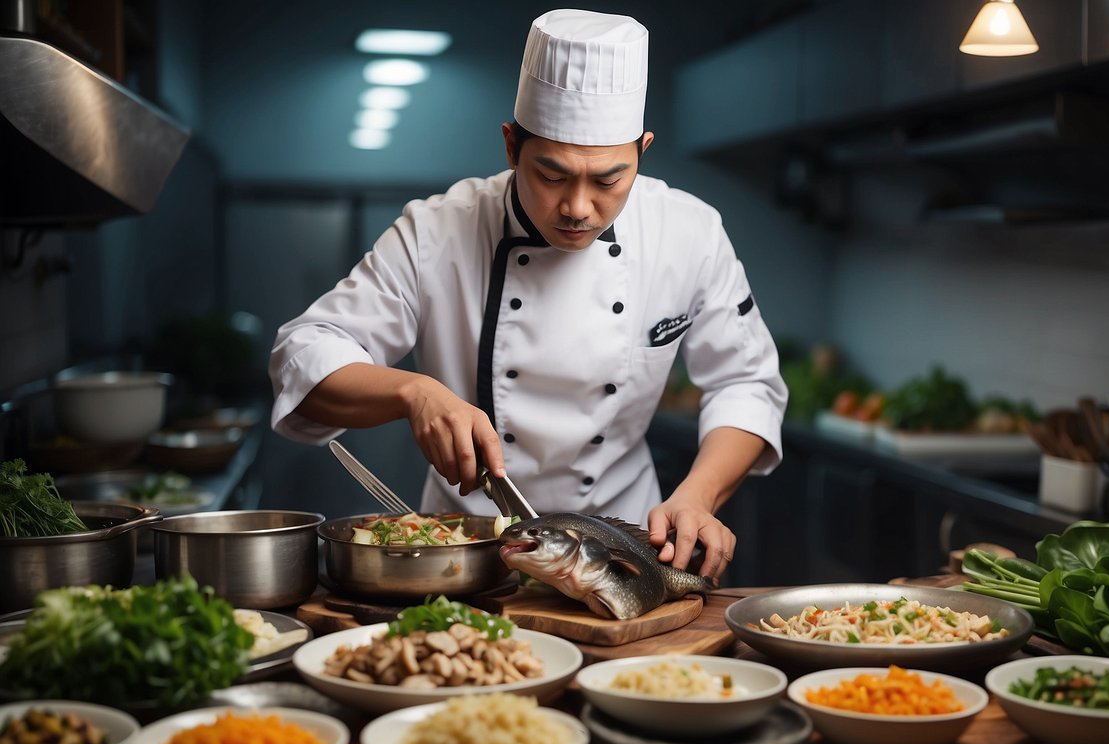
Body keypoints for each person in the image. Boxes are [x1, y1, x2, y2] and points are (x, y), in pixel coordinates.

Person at [269, 8, 787, 581]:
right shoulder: (438, 229)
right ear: (511, 145)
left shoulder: (689, 233)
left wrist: (699, 494)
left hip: (625, 551)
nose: (578, 207)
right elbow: (305, 351)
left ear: (643, 149)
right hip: (463, 557)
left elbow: (746, 382)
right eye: (552, 175)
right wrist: (412, 392)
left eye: (609, 180)